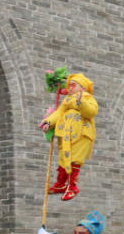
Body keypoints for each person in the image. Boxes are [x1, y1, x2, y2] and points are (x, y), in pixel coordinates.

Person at [40, 73, 97, 201]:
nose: (70, 88)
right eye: (69, 85)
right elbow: (59, 112)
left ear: (82, 87)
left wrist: (80, 101)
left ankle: (72, 187)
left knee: (74, 160)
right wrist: (49, 122)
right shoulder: (66, 100)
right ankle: (60, 184)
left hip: (81, 135)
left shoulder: (88, 98)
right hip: (65, 135)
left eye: (73, 85)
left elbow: (91, 112)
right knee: (63, 160)